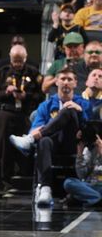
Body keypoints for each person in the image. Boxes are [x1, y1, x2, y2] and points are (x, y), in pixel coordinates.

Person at [9, 68, 93, 206]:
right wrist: (48, 128)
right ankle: (45, 189)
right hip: (52, 144)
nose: (66, 82)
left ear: (76, 83)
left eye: (69, 79)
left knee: (69, 109)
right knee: (44, 141)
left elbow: (89, 130)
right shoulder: (45, 105)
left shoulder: (84, 103)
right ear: (57, 82)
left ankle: (29, 140)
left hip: (74, 143)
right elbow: (35, 128)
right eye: (62, 79)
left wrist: (80, 111)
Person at [0, 43, 42, 191]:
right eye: (15, 60)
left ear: (25, 58)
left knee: (27, 147)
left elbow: (41, 95)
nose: (17, 64)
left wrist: (27, 96)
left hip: (25, 113)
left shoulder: (33, 73)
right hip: (7, 112)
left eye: (20, 60)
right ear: (10, 58)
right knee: (5, 148)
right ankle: (7, 183)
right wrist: (6, 92)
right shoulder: (2, 72)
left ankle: (24, 181)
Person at [64, 121, 102, 207]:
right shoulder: (89, 150)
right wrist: (80, 152)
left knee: (73, 196)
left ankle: (89, 198)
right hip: (91, 186)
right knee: (68, 182)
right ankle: (96, 198)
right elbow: (81, 175)